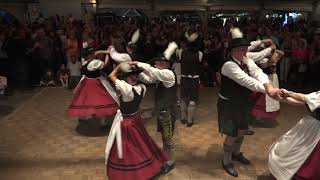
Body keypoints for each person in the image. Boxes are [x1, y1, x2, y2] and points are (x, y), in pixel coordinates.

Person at [218, 27, 281, 177]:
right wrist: (269, 90)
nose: (243, 52)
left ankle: (236, 153)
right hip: (229, 104)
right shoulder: (229, 65)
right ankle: (226, 160)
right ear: (232, 51)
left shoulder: (246, 59)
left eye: (245, 49)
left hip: (244, 102)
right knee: (232, 133)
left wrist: (268, 85)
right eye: (240, 50)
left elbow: (257, 72)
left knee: (242, 130)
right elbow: (248, 81)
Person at [105, 62, 167, 180]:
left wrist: (118, 67)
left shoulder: (126, 89)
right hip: (136, 118)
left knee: (129, 147)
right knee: (142, 143)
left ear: (128, 77)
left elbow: (111, 76)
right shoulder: (142, 88)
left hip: (127, 122)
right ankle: (150, 164)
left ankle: (135, 171)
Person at [129, 42, 178, 174]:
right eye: (156, 63)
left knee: (168, 137)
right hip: (162, 110)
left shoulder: (168, 74)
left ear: (167, 64)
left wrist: (138, 64)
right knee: (164, 135)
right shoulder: (162, 75)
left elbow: (153, 72)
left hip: (167, 111)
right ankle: (166, 156)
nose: (156, 65)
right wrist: (137, 74)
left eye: (159, 63)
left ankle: (170, 161)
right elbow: (149, 78)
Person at [269, 89, 320, 180]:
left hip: (315, 129)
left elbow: (305, 99)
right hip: (313, 126)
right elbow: (306, 101)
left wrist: (289, 93)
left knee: (304, 152)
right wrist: (282, 98)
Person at [66, 46, 118, 128]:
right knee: (102, 101)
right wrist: (108, 54)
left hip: (86, 82)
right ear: (89, 55)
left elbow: (96, 53)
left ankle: (82, 117)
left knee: (85, 100)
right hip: (94, 83)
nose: (95, 54)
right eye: (92, 53)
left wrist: (106, 51)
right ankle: (102, 122)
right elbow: (105, 64)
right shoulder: (94, 63)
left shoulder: (84, 61)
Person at [179, 30, 203, 127]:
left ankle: (183, 117)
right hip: (194, 79)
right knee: (192, 100)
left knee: (183, 98)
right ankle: (189, 120)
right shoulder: (200, 54)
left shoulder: (181, 52)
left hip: (184, 79)